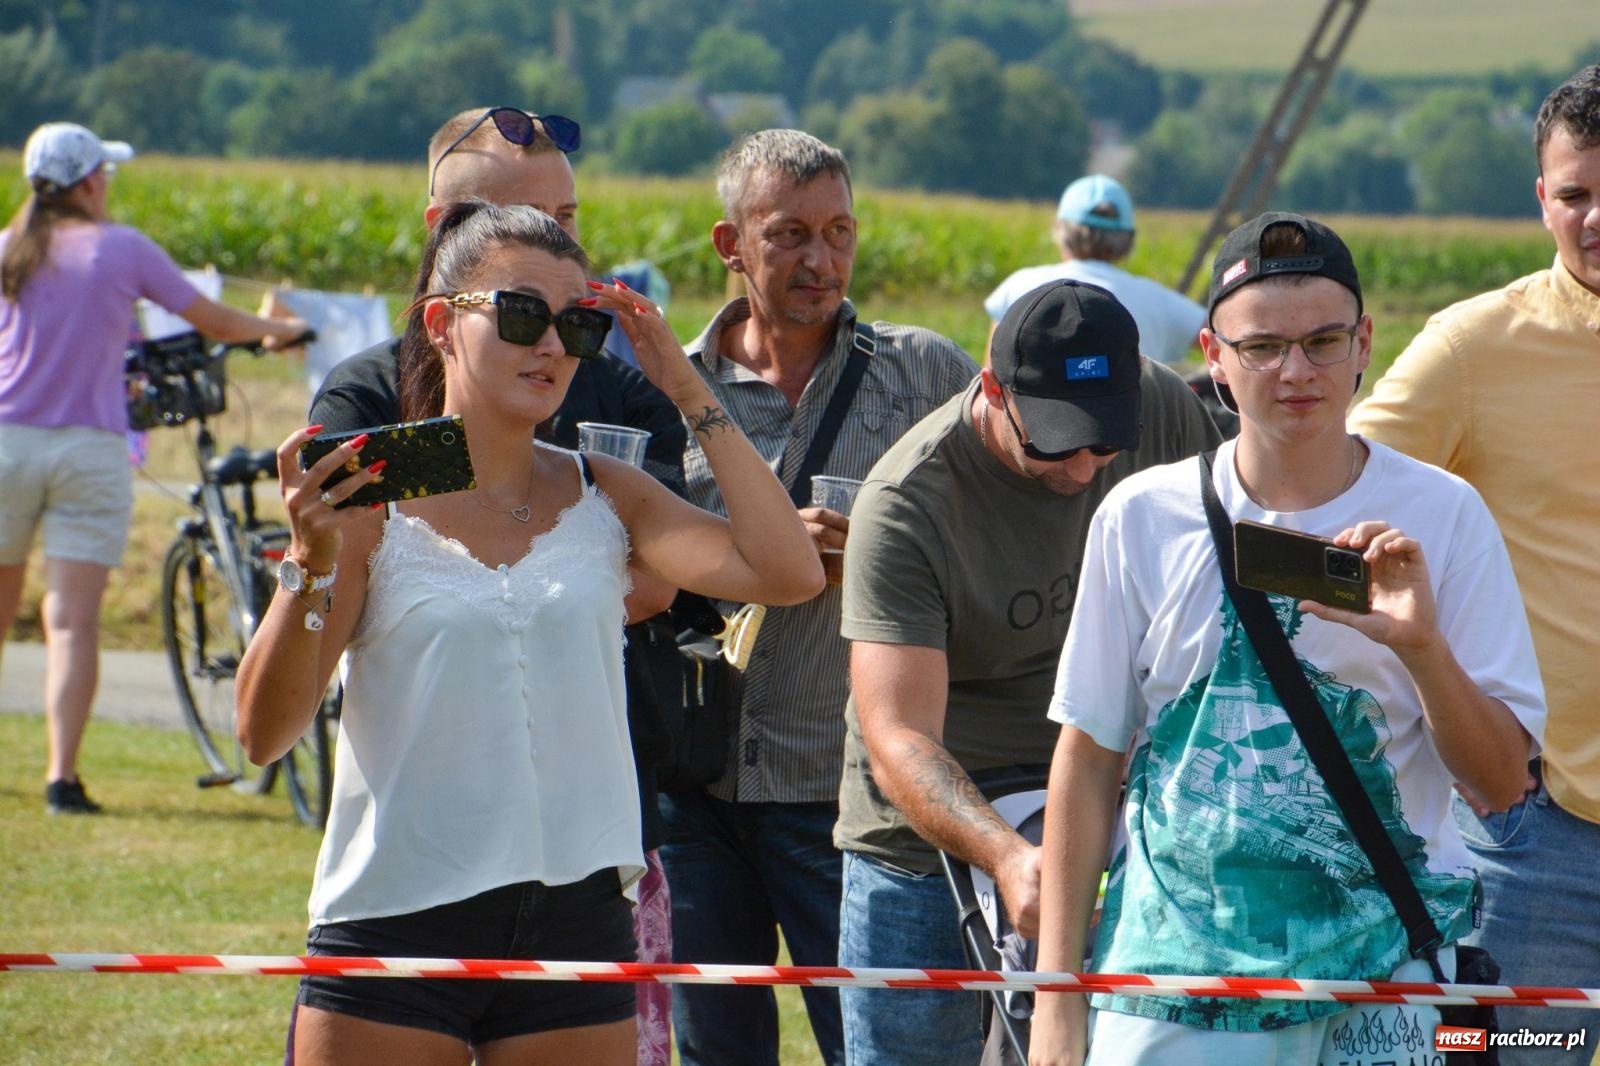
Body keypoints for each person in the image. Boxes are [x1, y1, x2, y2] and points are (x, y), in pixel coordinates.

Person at [236, 200, 824, 1066]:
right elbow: (263, 733)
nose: (551, 345)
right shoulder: (374, 488)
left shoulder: (605, 492)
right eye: (520, 315)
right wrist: (308, 563)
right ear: (441, 324)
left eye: (578, 325)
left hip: (575, 922)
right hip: (397, 915)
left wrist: (688, 389)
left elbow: (789, 573)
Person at [1031, 212, 1545, 1066]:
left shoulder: (1446, 514)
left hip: (1387, 982)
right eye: (1263, 346)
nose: (1296, 371)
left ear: (1365, 345)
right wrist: (1055, 997)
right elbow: (1087, 757)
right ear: (1214, 355)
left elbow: (1499, 785)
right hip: (1175, 984)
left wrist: (1421, 650)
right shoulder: (1139, 516)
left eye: (1323, 341)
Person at [305, 105, 687, 1065]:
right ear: (448, 239)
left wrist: (585, 577)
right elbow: (374, 588)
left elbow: (697, 574)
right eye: (524, 223)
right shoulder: (366, 391)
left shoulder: (602, 371)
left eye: (568, 219)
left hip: (585, 848)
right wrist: (569, 581)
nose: (555, 336)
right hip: (415, 864)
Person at [835, 279, 1222, 1064]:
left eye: (1104, 443)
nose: (1083, 470)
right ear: (990, 391)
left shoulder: (1161, 406)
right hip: (924, 836)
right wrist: (1011, 858)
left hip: (1107, 787)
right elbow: (899, 735)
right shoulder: (908, 503)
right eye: (1052, 441)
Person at [661, 128, 977, 1066]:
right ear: (731, 247)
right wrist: (752, 553)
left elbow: (999, 531)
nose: (820, 258)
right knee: (717, 1052)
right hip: (695, 792)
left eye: (838, 232)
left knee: (872, 1047)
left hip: (846, 797)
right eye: (788, 234)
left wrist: (883, 558)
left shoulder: (923, 373)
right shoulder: (667, 388)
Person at [1347, 64, 1600, 1065]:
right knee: (1496, 1065)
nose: (1594, 218)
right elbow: (1337, 495)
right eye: (1574, 194)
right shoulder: (1470, 346)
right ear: (1540, 198)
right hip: (1530, 839)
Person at [0, 121, 307, 815]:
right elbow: (212, 320)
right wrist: (277, 329)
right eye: (103, 173)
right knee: (72, 622)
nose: (108, 183)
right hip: (89, 450)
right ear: (87, 182)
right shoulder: (121, 249)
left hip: (7, 442)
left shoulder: (7, 251)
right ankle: (61, 778)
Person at [984, 175, 1204, 366]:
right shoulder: (1160, 300)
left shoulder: (1018, 287)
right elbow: (1221, 339)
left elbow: (990, 379)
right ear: (1127, 239)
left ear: (1061, 230)